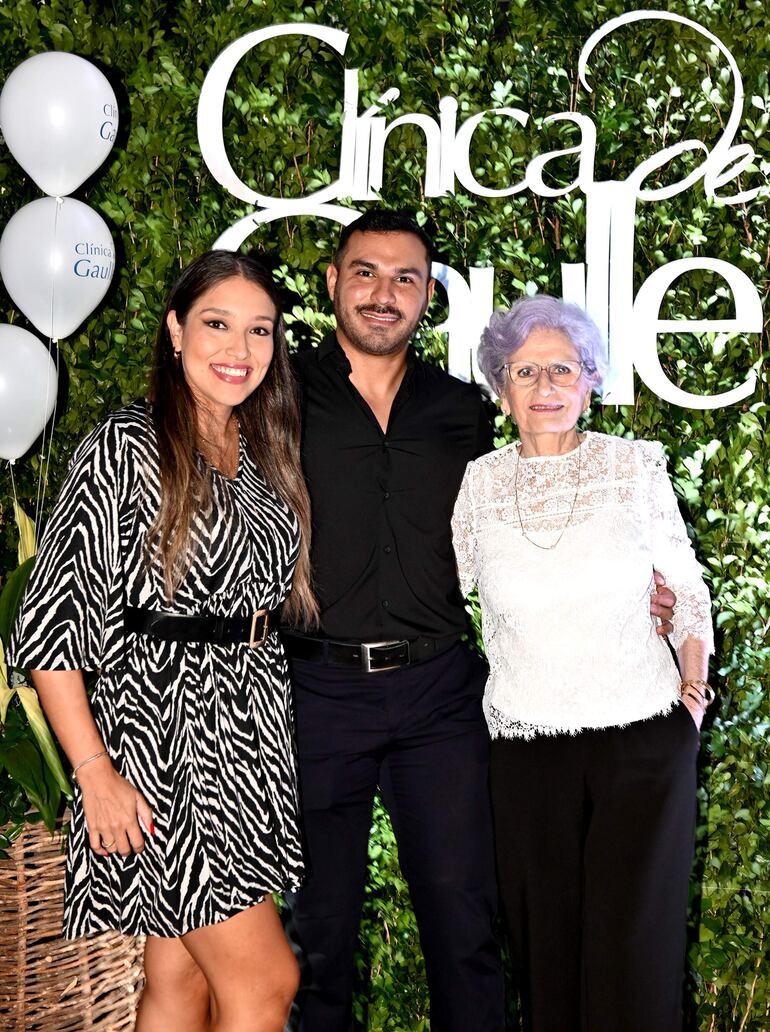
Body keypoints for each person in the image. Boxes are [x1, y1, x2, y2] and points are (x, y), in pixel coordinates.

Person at [282, 210, 677, 1032]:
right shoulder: (279, 396)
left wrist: (644, 597)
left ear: (428, 296)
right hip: (318, 691)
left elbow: (533, 518)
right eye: (366, 273)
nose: (384, 294)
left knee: (467, 928)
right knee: (319, 935)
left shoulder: (463, 411)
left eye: (406, 279)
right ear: (333, 282)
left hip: (439, 696)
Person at [8, 251, 316, 1032]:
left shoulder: (260, 447)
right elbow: (49, 620)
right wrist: (93, 772)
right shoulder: (129, 441)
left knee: (181, 984)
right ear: (176, 329)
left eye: (259, 331)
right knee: (267, 982)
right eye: (217, 324)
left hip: (246, 737)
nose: (239, 349)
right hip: (165, 744)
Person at [451, 295, 714, 1032]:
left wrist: (690, 697)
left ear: (589, 380)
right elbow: (440, 594)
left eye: (561, 368)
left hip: (640, 742)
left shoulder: (631, 468)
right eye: (525, 371)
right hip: (527, 752)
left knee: (635, 962)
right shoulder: (479, 484)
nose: (545, 387)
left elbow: (688, 593)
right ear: (502, 390)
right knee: (548, 965)